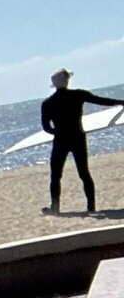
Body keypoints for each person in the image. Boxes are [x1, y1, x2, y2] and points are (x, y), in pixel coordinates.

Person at [39, 67, 124, 214]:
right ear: (67, 81)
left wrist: (58, 132)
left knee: (56, 175)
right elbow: (101, 101)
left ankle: (55, 207)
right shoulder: (78, 95)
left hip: (60, 140)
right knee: (84, 173)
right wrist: (122, 102)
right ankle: (91, 207)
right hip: (78, 137)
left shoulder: (48, 103)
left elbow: (46, 127)